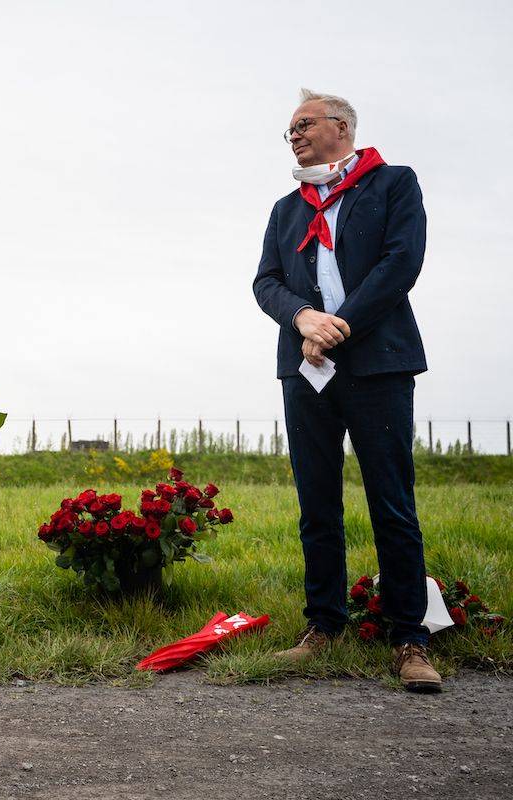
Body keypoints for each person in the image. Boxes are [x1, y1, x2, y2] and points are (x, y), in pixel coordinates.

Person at [252, 89, 440, 692]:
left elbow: (399, 263)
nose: (294, 136)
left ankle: (410, 637)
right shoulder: (287, 208)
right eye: (290, 130)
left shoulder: (393, 184)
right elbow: (266, 281)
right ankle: (324, 626)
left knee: (391, 501)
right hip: (304, 368)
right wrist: (305, 318)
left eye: (303, 125)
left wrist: (339, 326)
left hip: (377, 365)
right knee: (317, 502)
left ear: (341, 126)